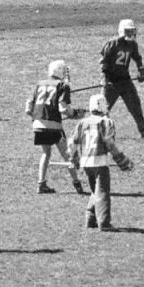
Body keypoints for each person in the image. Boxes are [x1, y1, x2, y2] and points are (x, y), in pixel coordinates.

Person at [69, 94, 134, 231]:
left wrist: (74, 160)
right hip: (100, 161)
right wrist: (122, 160)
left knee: (95, 190)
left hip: (86, 162)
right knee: (103, 192)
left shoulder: (82, 123)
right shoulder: (106, 122)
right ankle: (104, 223)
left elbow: (72, 143)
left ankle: (90, 218)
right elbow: (109, 143)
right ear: (102, 105)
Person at [25, 60, 87, 194]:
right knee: (67, 155)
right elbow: (63, 108)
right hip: (54, 127)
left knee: (46, 153)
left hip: (38, 126)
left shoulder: (38, 84)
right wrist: (76, 113)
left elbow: (28, 108)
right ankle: (77, 184)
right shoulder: (62, 86)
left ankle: (41, 184)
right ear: (59, 71)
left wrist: (37, 118)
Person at [100, 19, 144, 138]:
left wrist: (142, 70)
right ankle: (97, 131)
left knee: (135, 105)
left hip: (125, 80)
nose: (130, 34)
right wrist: (104, 78)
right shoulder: (112, 43)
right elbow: (103, 62)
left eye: (132, 31)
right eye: (128, 31)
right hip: (111, 81)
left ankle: (143, 130)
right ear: (121, 31)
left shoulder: (133, 44)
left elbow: (138, 58)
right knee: (103, 109)